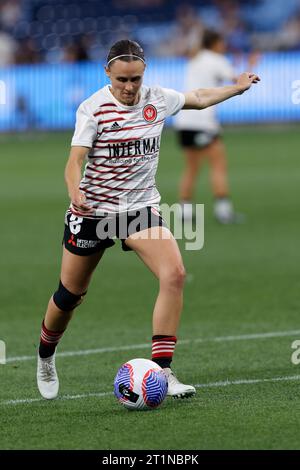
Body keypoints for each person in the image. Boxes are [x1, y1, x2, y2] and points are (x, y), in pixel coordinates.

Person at [36, 39, 259, 400]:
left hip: (139, 210)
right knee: (70, 295)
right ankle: (45, 354)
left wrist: (236, 87)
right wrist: (75, 192)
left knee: (175, 275)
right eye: (122, 79)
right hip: (94, 211)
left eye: (135, 79)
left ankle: (164, 371)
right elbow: (74, 161)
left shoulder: (157, 98)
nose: (129, 87)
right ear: (107, 72)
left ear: (144, 74)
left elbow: (198, 97)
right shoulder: (92, 110)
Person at [174, 29, 243, 224]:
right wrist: (252, 67)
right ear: (214, 43)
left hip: (184, 121)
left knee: (191, 167)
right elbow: (237, 82)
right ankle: (224, 210)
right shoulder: (216, 59)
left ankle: (184, 211)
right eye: (222, 42)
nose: (224, 46)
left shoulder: (196, 58)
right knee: (218, 164)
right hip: (203, 122)